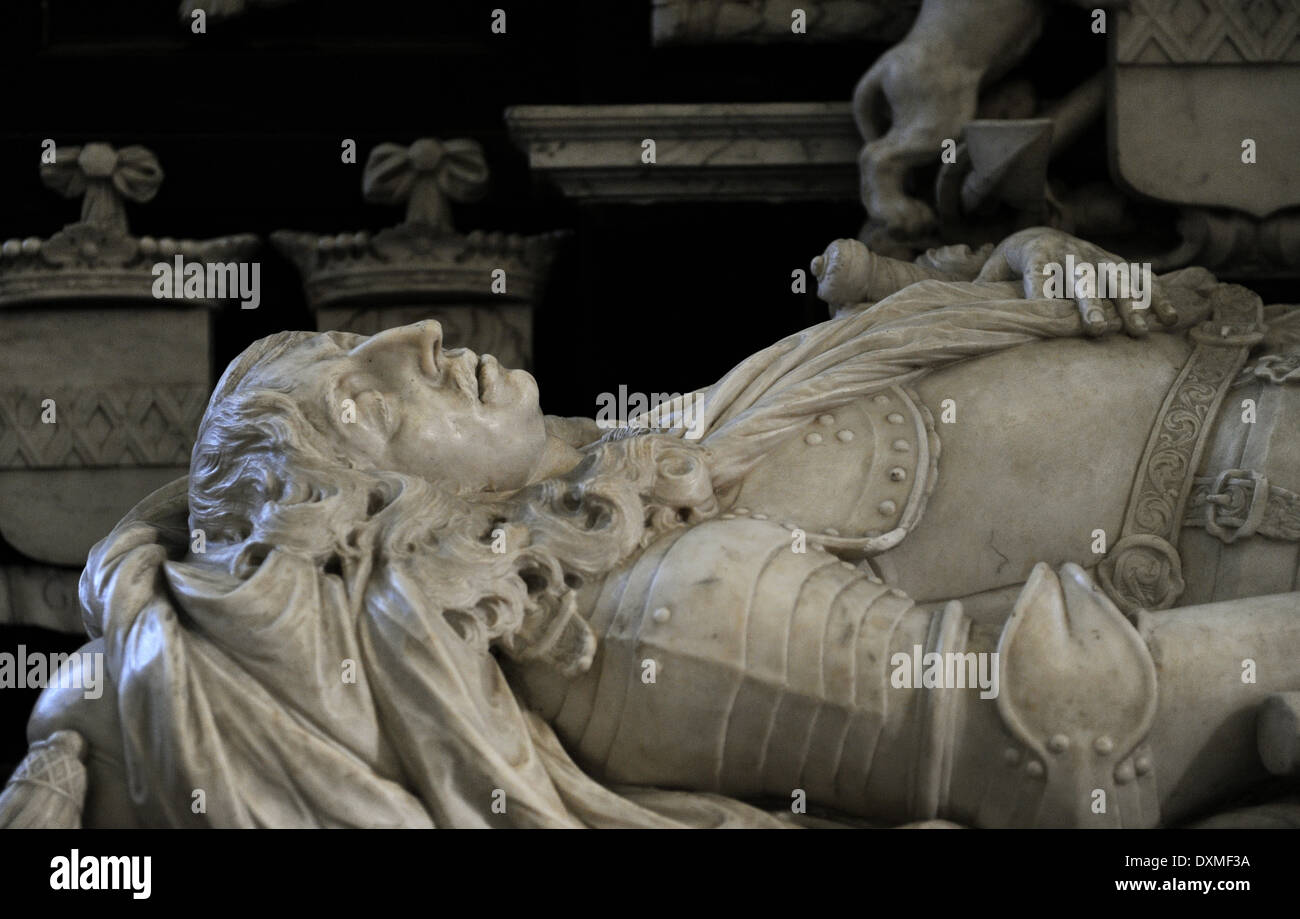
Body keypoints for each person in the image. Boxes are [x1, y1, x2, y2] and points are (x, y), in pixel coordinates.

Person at [4, 227, 1298, 828]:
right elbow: (1074, 730)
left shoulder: (634, 481)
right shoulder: (648, 629)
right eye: (357, 392)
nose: (412, 340)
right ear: (358, 529)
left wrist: (1012, 278)